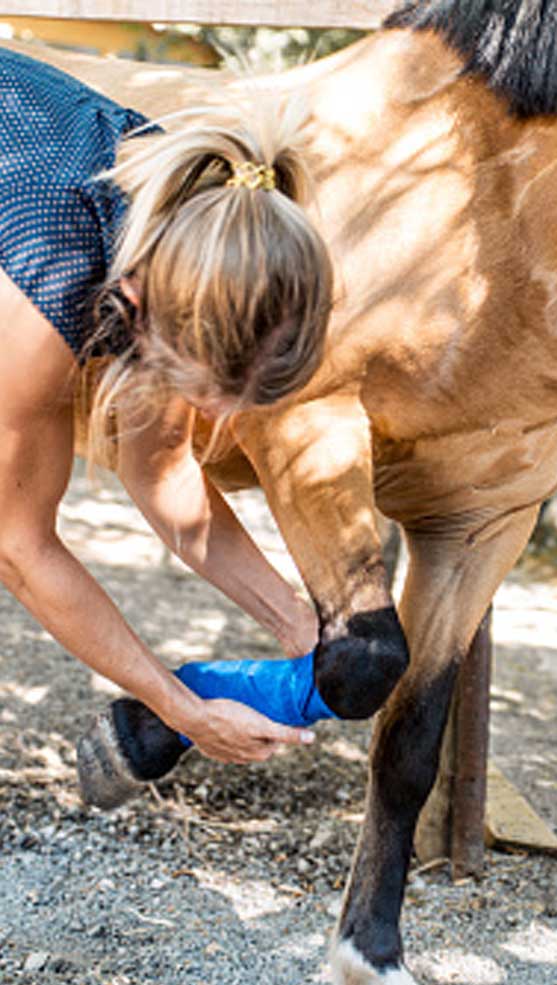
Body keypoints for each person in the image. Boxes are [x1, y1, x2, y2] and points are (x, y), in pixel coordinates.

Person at [0, 46, 335, 778]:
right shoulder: (41, 290)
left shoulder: (199, 226)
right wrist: (180, 708)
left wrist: (299, 623)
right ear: (146, 310)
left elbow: (161, 471)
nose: (209, 421)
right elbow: (20, 547)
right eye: (203, 389)